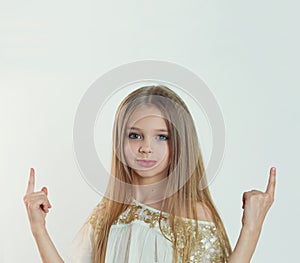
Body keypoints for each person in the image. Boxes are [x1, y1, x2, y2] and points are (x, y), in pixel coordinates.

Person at [23, 85, 276, 263]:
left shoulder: (194, 214)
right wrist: (39, 229)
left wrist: (251, 228)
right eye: (135, 135)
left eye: (161, 137)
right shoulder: (110, 212)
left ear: (180, 142)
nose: (145, 147)